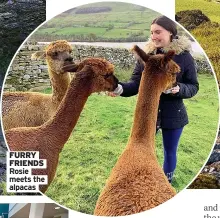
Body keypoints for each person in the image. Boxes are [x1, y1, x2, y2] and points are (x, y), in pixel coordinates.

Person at [109, 15, 199, 183]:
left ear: (170, 32)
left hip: (173, 114)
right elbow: (136, 83)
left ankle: (166, 183)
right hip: (148, 115)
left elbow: (193, 86)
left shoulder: (184, 57)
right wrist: (119, 88)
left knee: (169, 151)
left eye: (158, 32)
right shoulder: (147, 56)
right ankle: (141, 181)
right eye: (151, 33)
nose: (154, 36)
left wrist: (179, 89)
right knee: (141, 149)